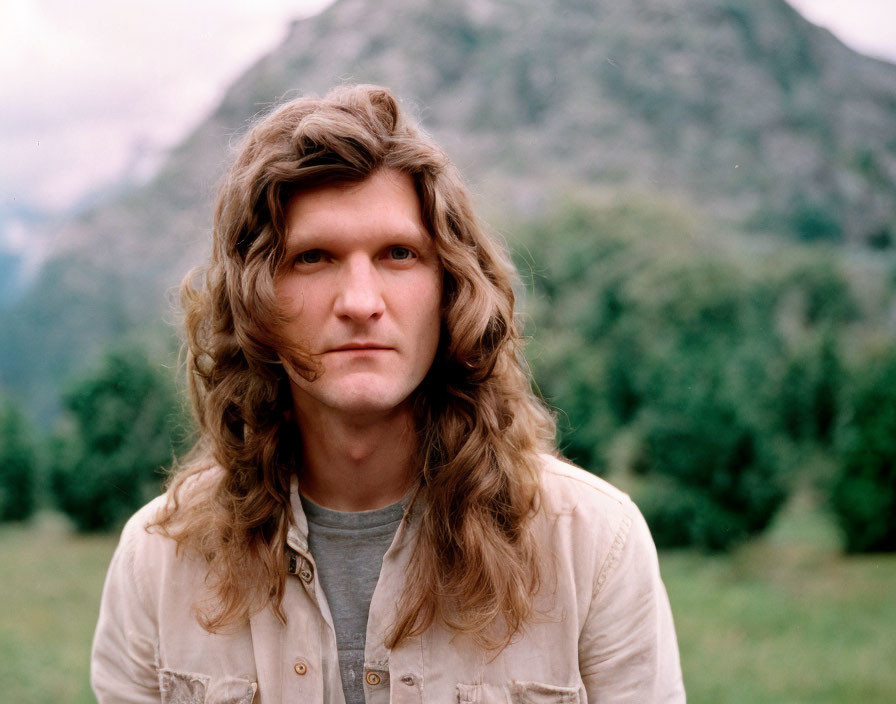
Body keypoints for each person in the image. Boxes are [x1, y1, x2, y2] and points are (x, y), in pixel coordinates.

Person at [91, 84, 685, 703]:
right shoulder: (157, 561)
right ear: (255, 302)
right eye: (313, 258)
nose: (360, 303)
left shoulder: (592, 545)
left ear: (450, 287)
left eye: (398, 254)